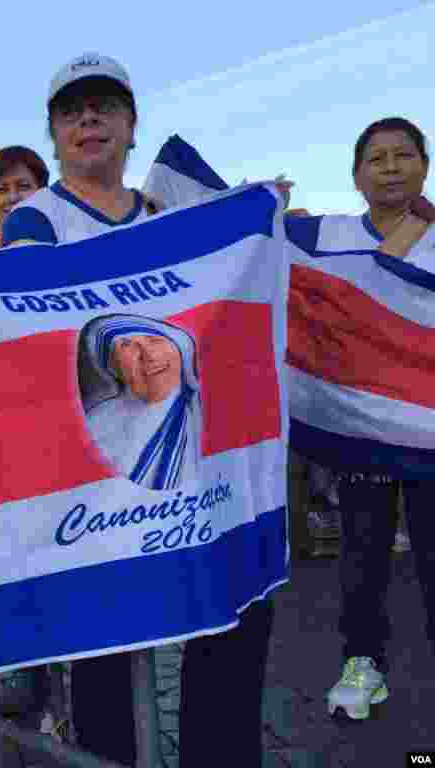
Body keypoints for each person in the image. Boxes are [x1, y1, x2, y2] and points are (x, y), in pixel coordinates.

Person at [2, 52, 275, 766]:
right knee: (107, 654)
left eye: (104, 107)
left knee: (228, 612)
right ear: (56, 133)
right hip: (92, 467)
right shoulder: (38, 219)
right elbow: (35, 337)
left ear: (131, 125)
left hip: (186, 455)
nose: (88, 120)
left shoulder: (174, 215)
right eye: (71, 111)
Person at [284, 116, 434, 721]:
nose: (391, 167)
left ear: (424, 164)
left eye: (403, 155)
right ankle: (362, 662)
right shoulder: (329, 233)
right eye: (377, 158)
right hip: (358, 427)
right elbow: (264, 244)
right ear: (356, 176)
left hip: (427, 429)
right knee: (363, 552)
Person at [79, 314, 202, 490]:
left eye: (154, 339)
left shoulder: (217, 409)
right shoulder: (97, 422)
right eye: (126, 344)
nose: (149, 356)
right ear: (111, 367)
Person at [0, 146, 50, 248]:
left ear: (43, 194)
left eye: (23, 186)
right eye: (2, 190)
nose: (13, 198)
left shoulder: (69, 248)